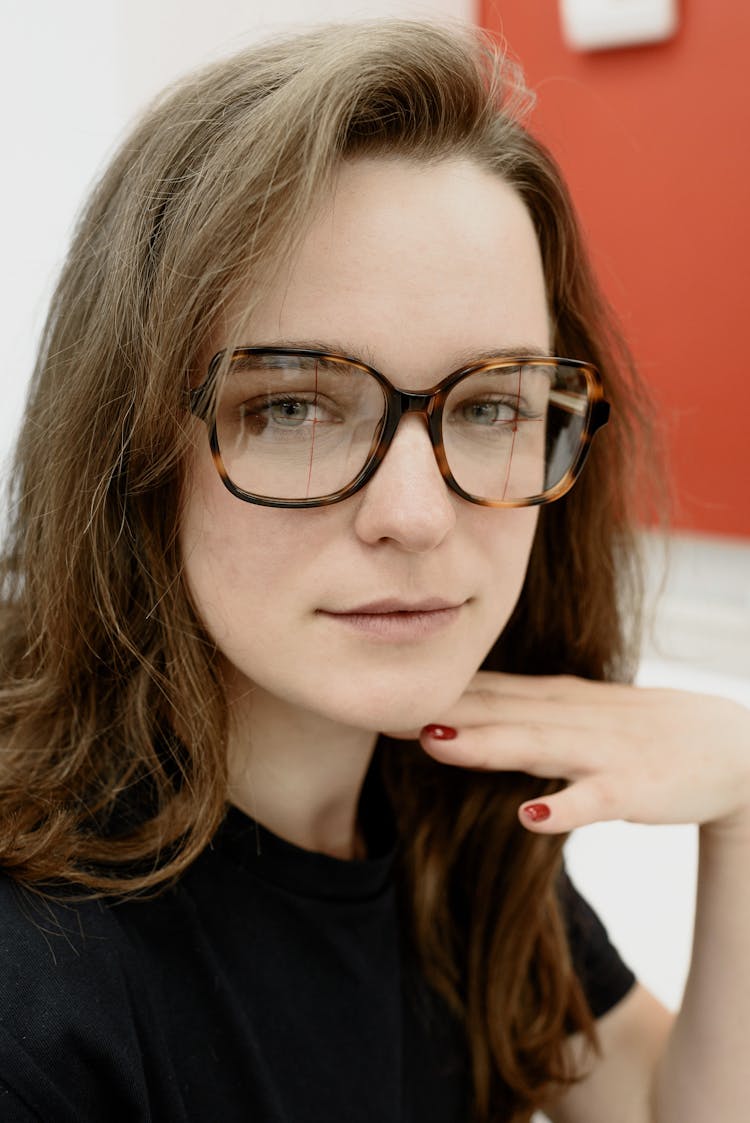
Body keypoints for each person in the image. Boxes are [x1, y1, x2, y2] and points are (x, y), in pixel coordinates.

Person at [0, 17, 747, 1123]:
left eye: (492, 403)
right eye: (293, 405)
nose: (417, 516)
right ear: (131, 448)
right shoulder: (43, 998)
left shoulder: (448, 810)